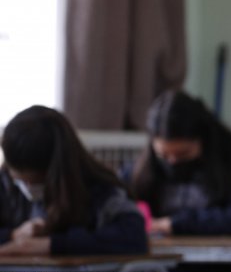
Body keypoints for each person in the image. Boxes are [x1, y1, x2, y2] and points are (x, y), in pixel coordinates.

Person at [130, 89, 231, 272]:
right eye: (164, 155)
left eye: (183, 154)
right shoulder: (144, 168)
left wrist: (174, 224)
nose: (172, 162)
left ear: (203, 139)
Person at [0, 105, 147, 255]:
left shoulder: (100, 190)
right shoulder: (6, 181)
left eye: (35, 181)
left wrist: (51, 244)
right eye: (19, 179)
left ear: (56, 171)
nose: (27, 187)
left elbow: (134, 237)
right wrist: (13, 235)